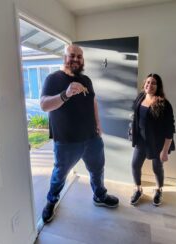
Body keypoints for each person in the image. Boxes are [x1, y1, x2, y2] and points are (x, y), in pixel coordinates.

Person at [40, 44, 119, 223]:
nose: (76, 59)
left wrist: (98, 124)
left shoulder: (86, 80)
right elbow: (44, 105)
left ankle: (99, 195)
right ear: (65, 57)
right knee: (59, 175)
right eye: (72, 55)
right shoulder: (53, 79)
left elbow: (93, 102)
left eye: (79, 57)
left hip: (92, 138)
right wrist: (65, 94)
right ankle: (51, 202)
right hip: (66, 142)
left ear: (83, 60)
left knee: (97, 170)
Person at [130, 73, 175, 206]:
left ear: (158, 86)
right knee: (135, 165)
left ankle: (159, 190)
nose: (150, 85)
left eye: (153, 83)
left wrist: (165, 151)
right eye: (148, 82)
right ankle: (138, 189)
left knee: (157, 167)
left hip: (157, 143)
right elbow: (136, 116)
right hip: (141, 141)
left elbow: (170, 129)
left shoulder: (164, 104)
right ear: (144, 84)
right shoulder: (140, 97)